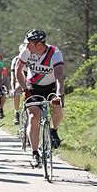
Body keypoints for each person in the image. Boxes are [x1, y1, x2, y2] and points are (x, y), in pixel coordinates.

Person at [14, 29, 64, 168]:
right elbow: (18, 70)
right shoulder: (26, 51)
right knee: (33, 117)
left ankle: (54, 131)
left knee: (57, 109)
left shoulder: (55, 53)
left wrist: (59, 94)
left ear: (39, 44)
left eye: (29, 43)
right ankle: (35, 153)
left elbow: (59, 77)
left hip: (51, 86)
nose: (26, 46)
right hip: (33, 87)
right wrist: (24, 89)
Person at [10, 43, 27, 125]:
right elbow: (13, 76)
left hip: (31, 79)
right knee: (17, 90)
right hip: (20, 80)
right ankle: (16, 112)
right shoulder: (16, 60)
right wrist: (13, 89)